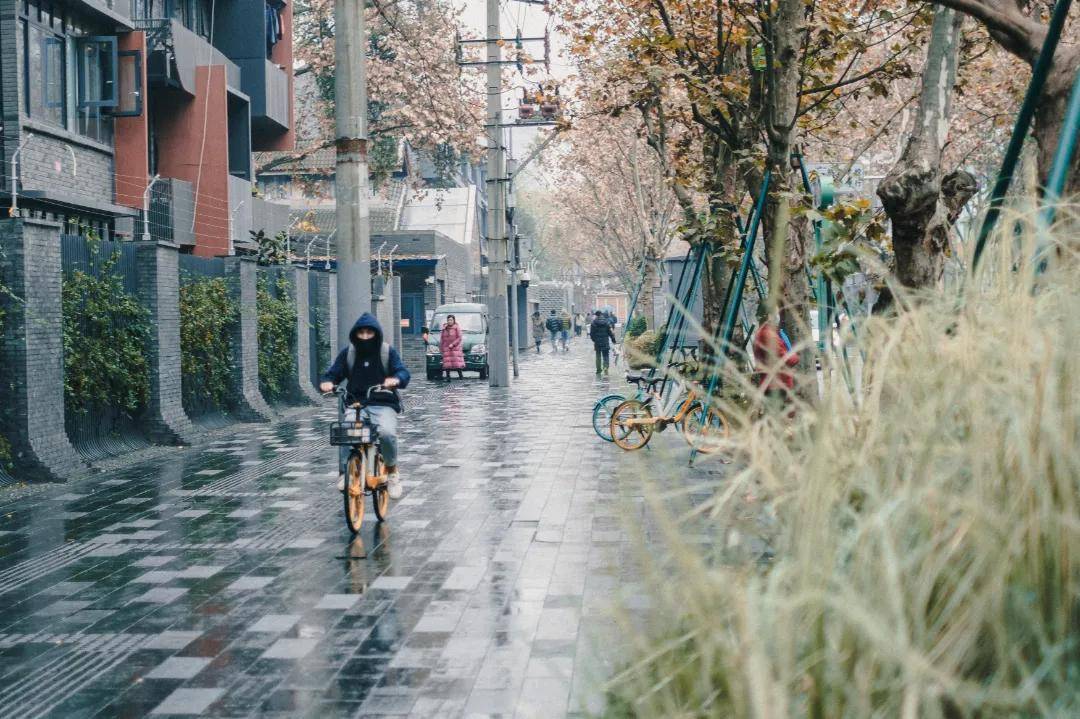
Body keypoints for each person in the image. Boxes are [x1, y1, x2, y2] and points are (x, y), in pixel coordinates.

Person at [320, 313, 410, 499]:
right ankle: (346, 472)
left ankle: (392, 471)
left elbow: (402, 372)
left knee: (386, 433)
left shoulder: (386, 352)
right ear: (355, 334)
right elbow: (333, 373)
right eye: (361, 333)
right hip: (356, 403)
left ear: (376, 333)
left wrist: (395, 379)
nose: (365, 337)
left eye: (369, 333)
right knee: (346, 432)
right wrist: (328, 382)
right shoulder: (349, 353)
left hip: (383, 403)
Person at [751, 304, 799, 414]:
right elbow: (784, 357)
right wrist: (796, 356)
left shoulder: (763, 332)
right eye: (776, 313)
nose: (778, 316)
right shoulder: (768, 335)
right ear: (769, 316)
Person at [589, 310, 617, 376]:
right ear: (602, 314)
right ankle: (605, 367)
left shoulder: (593, 323)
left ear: (596, 315)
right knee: (606, 355)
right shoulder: (607, 322)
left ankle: (598, 370)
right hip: (605, 341)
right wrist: (613, 340)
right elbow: (610, 332)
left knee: (598, 355)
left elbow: (591, 334)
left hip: (597, 342)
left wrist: (594, 340)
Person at [439, 314, 466, 380]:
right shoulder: (444, 328)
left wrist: (453, 344)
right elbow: (442, 339)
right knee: (447, 364)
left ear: (454, 320)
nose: (449, 321)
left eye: (451, 320)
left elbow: (459, 338)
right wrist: (441, 348)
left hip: (455, 348)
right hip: (446, 348)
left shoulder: (456, 328)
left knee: (457, 364)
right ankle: (448, 377)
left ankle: (461, 376)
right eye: (448, 320)